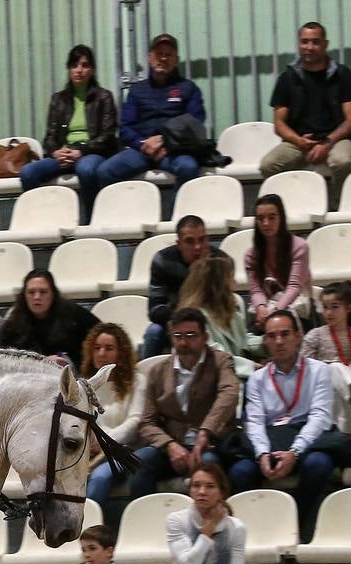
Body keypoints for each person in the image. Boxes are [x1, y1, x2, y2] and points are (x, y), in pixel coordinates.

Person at [229, 310, 345, 542]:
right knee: (239, 471)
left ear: (298, 336)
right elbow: (254, 422)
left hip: (307, 441)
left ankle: (296, 524)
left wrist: (295, 451)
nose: (279, 341)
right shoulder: (257, 379)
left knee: (319, 464)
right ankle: (262, 529)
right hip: (271, 441)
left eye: (284, 334)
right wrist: (262, 453)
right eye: (272, 336)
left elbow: (319, 417)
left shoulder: (319, 370)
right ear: (265, 341)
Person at [131, 308, 240, 501]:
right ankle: (146, 522)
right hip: (172, 445)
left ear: (205, 337)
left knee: (207, 467)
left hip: (210, 446)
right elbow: (147, 422)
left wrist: (205, 431)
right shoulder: (158, 371)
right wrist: (170, 446)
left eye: (191, 335)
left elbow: (229, 393)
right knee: (140, 463)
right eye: (178, 336)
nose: (183, 342)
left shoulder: (221, 361)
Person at [261, 22, 351, 202]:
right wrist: (299, 141)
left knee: (343, 162)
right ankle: (290, 209)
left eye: (315, 42)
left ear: (325, 44)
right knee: (268, 165)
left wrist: (327, 143)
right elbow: (279, 124)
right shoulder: (287, 78)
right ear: (299, 44)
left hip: (337, 139)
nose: (309, 47)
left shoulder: (343, 74)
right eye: (304, 42)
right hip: (299, 140)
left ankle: (341, 209)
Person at [19, 43, 119, 222]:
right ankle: (42, 221)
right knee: (28, 172)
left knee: (86, 169)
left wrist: (81, 151)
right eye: (74, 65)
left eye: (85, 65)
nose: (79, 70)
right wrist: (56, 152)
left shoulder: (104, 97)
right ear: (68, 69)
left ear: (92, 70)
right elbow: (49, 136)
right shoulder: (59, 99)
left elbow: (107, 135)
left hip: (92, 151)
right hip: (65, 153)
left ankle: (91, 223)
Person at [95, 33, 205, 191]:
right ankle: (128, 214)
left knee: (188, 167)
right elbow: (125, 127)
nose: (163, 59)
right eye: (159, 54)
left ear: (176, 59)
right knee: (105, 171)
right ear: (150, 57)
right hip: (141, 150)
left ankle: (176, 215)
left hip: (173, 151)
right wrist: (142, 144)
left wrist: (165, 141)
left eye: (168, 55)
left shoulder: (189, 88)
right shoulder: (137, 90)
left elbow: (195, 123)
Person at [301, 282, 351, 434]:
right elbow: (303, 370)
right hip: (321, 387)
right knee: (334, 368)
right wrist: (328, 368)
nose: (329, 312)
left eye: (335, 306)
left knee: (338, 374)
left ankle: (346, 428)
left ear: (349, 308)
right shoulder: (314, 336)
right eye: (325, 307)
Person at [144, 215, 229, 358]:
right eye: (190, 241)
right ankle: (147, 376)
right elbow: (155, 309)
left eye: (202, 240)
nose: (198, 247)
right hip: (174, 322)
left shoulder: (219, 261)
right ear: (179, 243)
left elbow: (225, 305)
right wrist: (181, 320)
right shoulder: (162, 260)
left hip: (210, 324)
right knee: (154, 332)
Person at [81, 322, 141, 504]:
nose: (101, 354)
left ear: (121, 353)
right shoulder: (85, 384)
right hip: (90, 452)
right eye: (97, 348)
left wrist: (105, 441)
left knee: (99, 478)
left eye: (109, 348)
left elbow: (135, 421)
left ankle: (87, 528)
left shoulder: (138, 381)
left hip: (125, 451)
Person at [0, 269, 99, 369]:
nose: (37, 297)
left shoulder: (75, 315)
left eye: (43, 292)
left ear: (53, 294)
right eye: (31, 292)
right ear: (24, 296)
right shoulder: (14, 324)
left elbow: (101, 336)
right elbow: (0, 359)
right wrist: (42, 362)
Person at [166, 462, 246, 564]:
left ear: (221, 492)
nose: (202, 492)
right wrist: (209, 527)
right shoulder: (176, 520)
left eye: (210, 486)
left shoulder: (237, 527)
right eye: (196, 485)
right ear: (190, 490)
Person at [245, 194, 313, 332]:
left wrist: (275, 312)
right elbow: (256, 290)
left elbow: (294, 286)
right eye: (260, 218)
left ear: (281, 218)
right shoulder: (251, 254)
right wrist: (261, 308)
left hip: (296, 309)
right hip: (268, 308)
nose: (266, 223)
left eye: (272, 217)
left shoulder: (299, 246)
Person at [176, 255, 250, 363]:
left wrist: (269, 339)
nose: (235, 282)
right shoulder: (194, 319)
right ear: (217, 285)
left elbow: (244, 340)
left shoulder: (232, 313)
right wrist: (251, 366)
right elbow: (212, 356)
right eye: (230, 277)